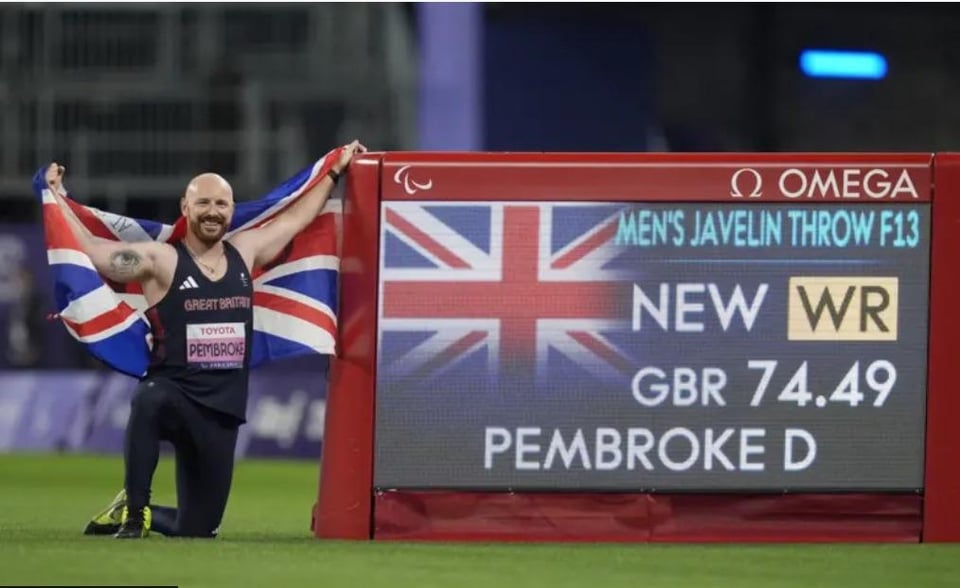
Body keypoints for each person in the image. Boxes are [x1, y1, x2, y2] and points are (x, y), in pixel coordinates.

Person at [45, 140, 366, 539]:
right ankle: (135, 516)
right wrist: (57, 198)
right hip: (174, 393)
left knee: (199, 529)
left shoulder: (245, 251)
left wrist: (334, 171)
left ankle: (130, 510)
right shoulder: (160, 260)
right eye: (203, 204)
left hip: (221, 411)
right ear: (185, 207)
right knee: (148, 399)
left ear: (231, 211)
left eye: (221, 204)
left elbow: (295, 220)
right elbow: (95, 252)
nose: (213, 212)